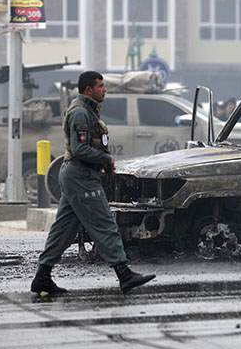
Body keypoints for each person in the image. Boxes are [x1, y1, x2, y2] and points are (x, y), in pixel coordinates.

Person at [31, 71, 155, 295]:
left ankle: (42, 277)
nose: (104, 90)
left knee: (63, 229)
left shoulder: (88, 111)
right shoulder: (80, 113)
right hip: (81, 176)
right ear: (88, 90)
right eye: (100, 86)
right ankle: (124, 274)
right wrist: (106, 159)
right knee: (104, 223)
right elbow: (80, 149)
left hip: (78, 175)